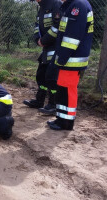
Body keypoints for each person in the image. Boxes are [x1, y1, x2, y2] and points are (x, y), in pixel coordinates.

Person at [47, 0, 94, 130]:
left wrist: (62, 57)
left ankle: (66, 122)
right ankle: (61, 118)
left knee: (67, 90)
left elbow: (72, 37)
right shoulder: (75, 5)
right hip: (69, 58)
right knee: (63, 89)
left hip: (71, 59)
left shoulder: (78, 5)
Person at [23, 0, 62, 115]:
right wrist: (37, 39)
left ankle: (53, 104)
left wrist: (44, 40)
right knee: (41, 75)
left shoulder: (56, 4)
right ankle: (39, 101)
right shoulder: (41, 7)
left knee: (52, 77)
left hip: (55, 47)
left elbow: (58, 25)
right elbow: (37, 26)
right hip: (46, 48)